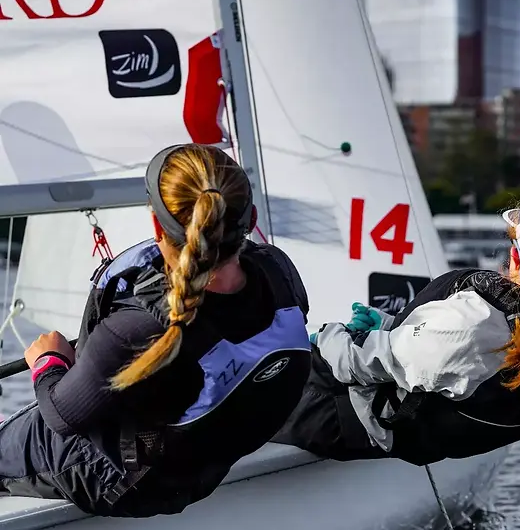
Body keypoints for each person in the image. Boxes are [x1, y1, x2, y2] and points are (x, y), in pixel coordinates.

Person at [0, 144, 312, 517]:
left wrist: (48, 361)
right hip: (204, 465)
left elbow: (62, 416)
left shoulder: (136, 328)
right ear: (251, 217)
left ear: (156, 227)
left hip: (126, 482)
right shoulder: (280, 273)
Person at [273, 192, 520, 466]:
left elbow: (355, 364)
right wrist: (388, 326)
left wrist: (329, 334)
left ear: (516, 258)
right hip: (427, 426)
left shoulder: (472, 323)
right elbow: (449, 361)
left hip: (342, 414)